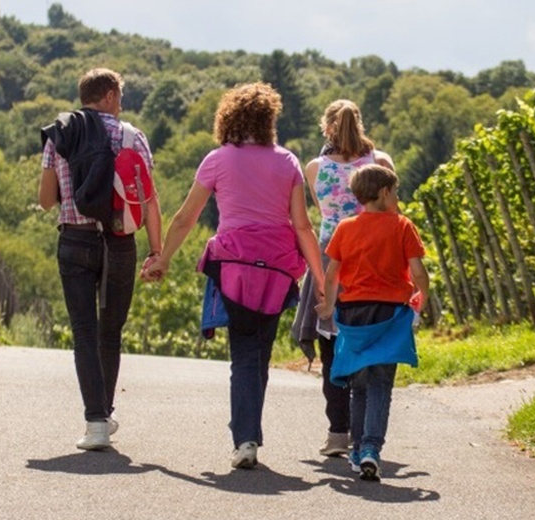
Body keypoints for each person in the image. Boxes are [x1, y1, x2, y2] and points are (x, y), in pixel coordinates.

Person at [141, 82, 325, 469]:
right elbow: (303, 227)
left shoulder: (218, 159)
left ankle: (245, 438)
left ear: (228, 118)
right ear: (269, 120)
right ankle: (248, 432)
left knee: (243, 353)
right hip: (277, 267)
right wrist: (321, 281)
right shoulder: (287, 162)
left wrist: (163, 257)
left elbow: (186, 217)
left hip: (234, 266)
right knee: (259, 352)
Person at [38, 68, 162, 451]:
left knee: (84, 331)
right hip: (119, 243)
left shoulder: (60, 133)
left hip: (74, 241)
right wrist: (157, 252)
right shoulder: (132, 136)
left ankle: (96, 423)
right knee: (110, 331)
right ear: (108, 95)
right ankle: (104, 415)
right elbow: (149, 200)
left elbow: (45, 200)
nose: (121, 104)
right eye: (120, 96)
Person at [291, 99, 395, 457]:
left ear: (327, 128)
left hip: (330, 256)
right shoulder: (380, 163)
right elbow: (392, 213)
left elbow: (324, 213)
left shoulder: (315, 167)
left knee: (331, 346)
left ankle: (337, 432)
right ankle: (366, 432)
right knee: (368, 343)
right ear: (360, 123)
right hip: (374, 259)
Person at [315, 164, 429, 482]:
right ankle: (370, 449)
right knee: (381, 383)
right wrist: (424, 297)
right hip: (390, 314)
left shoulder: (346, 228)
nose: (397, 197)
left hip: (353, 314)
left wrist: (327, 304)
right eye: (395, 191)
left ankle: (357, 449)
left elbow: (333, 272)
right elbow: (417, 271)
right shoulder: (403, 226)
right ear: (384, 193)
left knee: (359, 385)